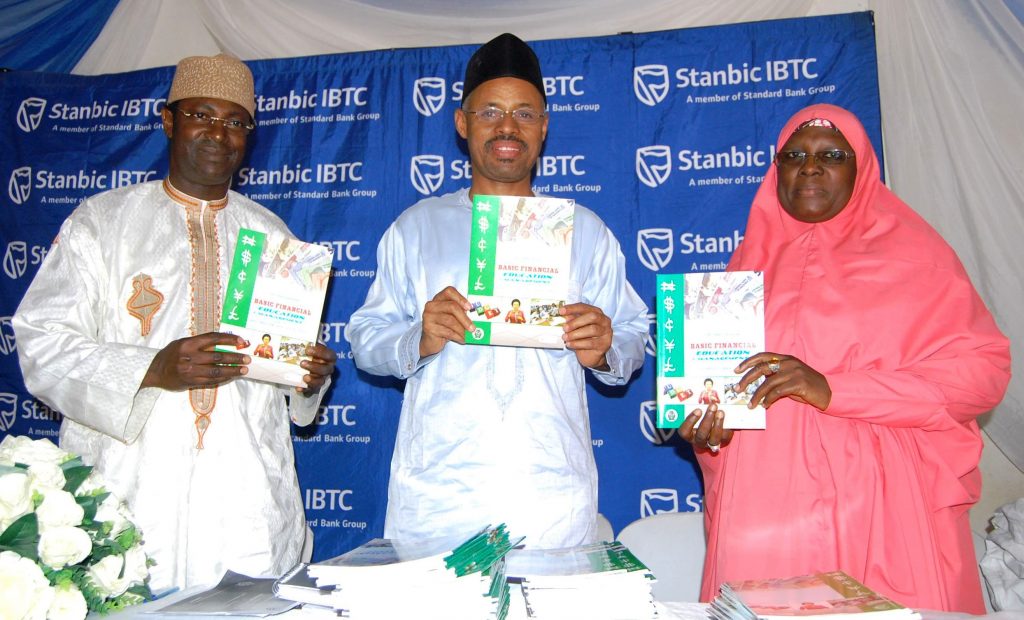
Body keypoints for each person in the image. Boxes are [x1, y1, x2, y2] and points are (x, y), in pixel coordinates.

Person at [12, 54, 337, 592]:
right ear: (169, 121)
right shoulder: (103, 222)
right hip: (133, 492)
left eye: (236, 122)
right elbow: (42, 345)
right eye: (202, 115)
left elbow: (283, 381)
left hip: (248, 502)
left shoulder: (273, 235)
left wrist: (309, 376)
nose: (218, 133)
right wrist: (152, 367)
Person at [679, 104, 1010, 612]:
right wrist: (709, 432)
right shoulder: (744, 268)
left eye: (831, 155)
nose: (809, 167)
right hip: (764, 508)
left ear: (861, 169)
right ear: (777, 171)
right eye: (794, 156)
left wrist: (835, 388)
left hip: (879, 508)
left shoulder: (918, 259)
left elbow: (981, 373)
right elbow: (726, 398)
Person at [345, 33, 647, 548]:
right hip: (440, 496)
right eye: (490, 112)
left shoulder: (584, 229)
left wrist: (606, 345)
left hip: (550, 494)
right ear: (462, 123)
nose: (508, 127)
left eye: (525, 114)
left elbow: (635, 335)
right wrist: (419, 336)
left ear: (544, 126)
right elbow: (364, 340)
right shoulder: (416, 228)